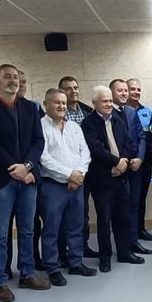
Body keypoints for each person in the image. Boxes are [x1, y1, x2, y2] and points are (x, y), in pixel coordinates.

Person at [0, 63, 49, 299]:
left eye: (16, 77)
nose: (12, 80)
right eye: (7, 76)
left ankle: (27, 273)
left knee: (28, 230)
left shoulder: (31, 108)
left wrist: (27, 166)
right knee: (0, 231)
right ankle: (0, 280)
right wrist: (16, 169)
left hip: (28, 178)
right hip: (2, 178)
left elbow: (39, 142)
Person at [80, 87, 144, 272]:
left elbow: (129, 143)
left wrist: (123, 161)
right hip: (102, 179)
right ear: (94, 103)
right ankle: (105, 257)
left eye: (110, 101)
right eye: (104, 101)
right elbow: (96, 149)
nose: (109, 104)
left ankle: (124, 253)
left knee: (123, 218)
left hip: (121, 178)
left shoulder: (117, 118)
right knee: (104, 220)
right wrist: (116, 162)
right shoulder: (88, 123)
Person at [38, 88, 96, 285]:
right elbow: (44, 158)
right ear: (46, 104)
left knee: (76, 225)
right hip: (52, 186)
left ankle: (76, 262)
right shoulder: (40, 127)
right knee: (52, 229)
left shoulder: (74, 127)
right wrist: (68, 174)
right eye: (57, 103)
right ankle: (52, 268)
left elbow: (85, 153)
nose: (62, 106)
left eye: (63, 103)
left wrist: (78, 174)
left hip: (77, 184)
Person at [110, 79, 152, 255]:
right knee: (118, 209)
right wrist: (120, 160)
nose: (124, 93)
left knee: (134, 205)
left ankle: (133, 241)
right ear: (111, 92)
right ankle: (122, 246)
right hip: (116, 168)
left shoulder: (131, 112)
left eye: (126, 90)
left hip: (135, 167)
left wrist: (140, 158)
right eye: (120, 91)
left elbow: (141, 137)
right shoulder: (106, 112)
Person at [58, 76, 96, 257]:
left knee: (83, 211)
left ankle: (83, 246)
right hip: (65, 172)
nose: (73, 91)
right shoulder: (56, 114)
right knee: (65, 213)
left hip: (86, 168)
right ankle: (64, 250)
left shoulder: (88, 111)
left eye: (75, 87)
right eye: (68, 88)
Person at [126, 78, 152, 242]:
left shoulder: (148, 112)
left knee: (141, 198)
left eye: (138, 89)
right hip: (127, 163)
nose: (136, 92)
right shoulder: (121, 113)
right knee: (130, 200)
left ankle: (140, 229)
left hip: (144, 162)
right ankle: (129, 234)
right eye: (133, 89)